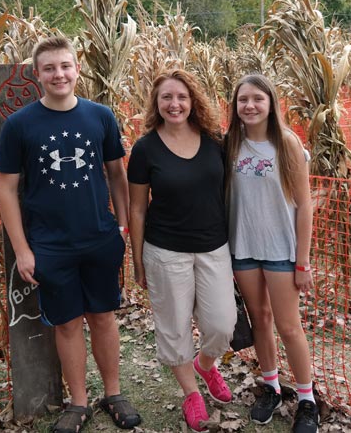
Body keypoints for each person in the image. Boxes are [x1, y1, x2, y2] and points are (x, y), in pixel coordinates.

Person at [0, 36, 141, 433]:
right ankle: (78, 403)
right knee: (67, 324)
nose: (58, 74)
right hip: (49, 245)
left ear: (77, 69)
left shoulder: (100, 117)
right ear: (37, 74)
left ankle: (113, 393)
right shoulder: (19, 125)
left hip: (99, 237)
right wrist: (22, 249)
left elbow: (116, 174)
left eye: (65, 66)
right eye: (49, 68)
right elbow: (6, 187)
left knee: (104, 317)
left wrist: (122, 227)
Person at [127, 67, 237, 432]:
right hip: (165, 250)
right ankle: (191, 393)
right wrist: (138, 258)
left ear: (193, 101)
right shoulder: (145, 149)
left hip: (213, 247)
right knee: (174, 328)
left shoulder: (214, 141)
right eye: (167, 98)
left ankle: (205, 367)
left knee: (223, 324)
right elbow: (138, 208)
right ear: (156, 104)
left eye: (181, 97)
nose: (175, 104)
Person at [224, 74, 319, 432]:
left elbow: (305, 206)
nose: (249, 106)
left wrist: (303, 261)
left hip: (281, 251)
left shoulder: (288, 144)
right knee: (260, 319)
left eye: (257, 99)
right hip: (244, 249)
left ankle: (308, 399)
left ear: (270, 103)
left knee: (289, 326)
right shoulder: (231, 144)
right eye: (242, 100)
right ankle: (272, 387)